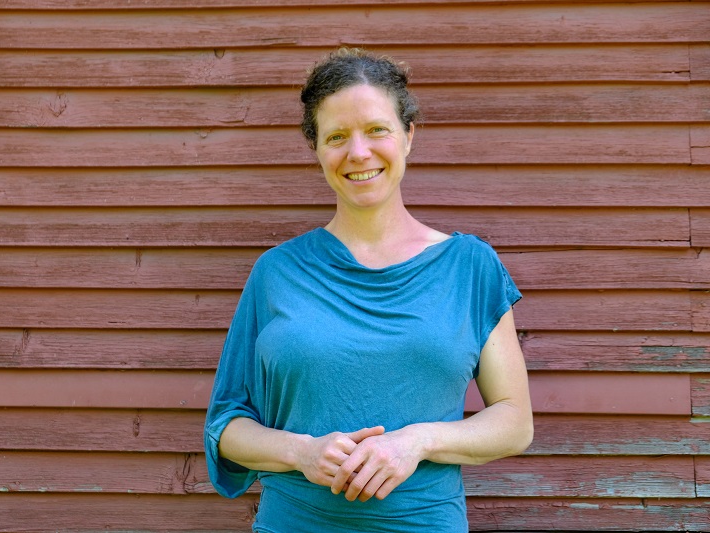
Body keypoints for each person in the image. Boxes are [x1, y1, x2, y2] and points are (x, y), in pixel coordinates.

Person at [204, 47, 533, 532]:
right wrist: (302, 452)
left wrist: (415, 442)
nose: (358, 152)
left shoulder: (471, 267)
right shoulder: (276, 272)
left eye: (377, 129)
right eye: (337, 136)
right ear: (316, 149)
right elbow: (226, 425)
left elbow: (514, 422)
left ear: (408, 136)